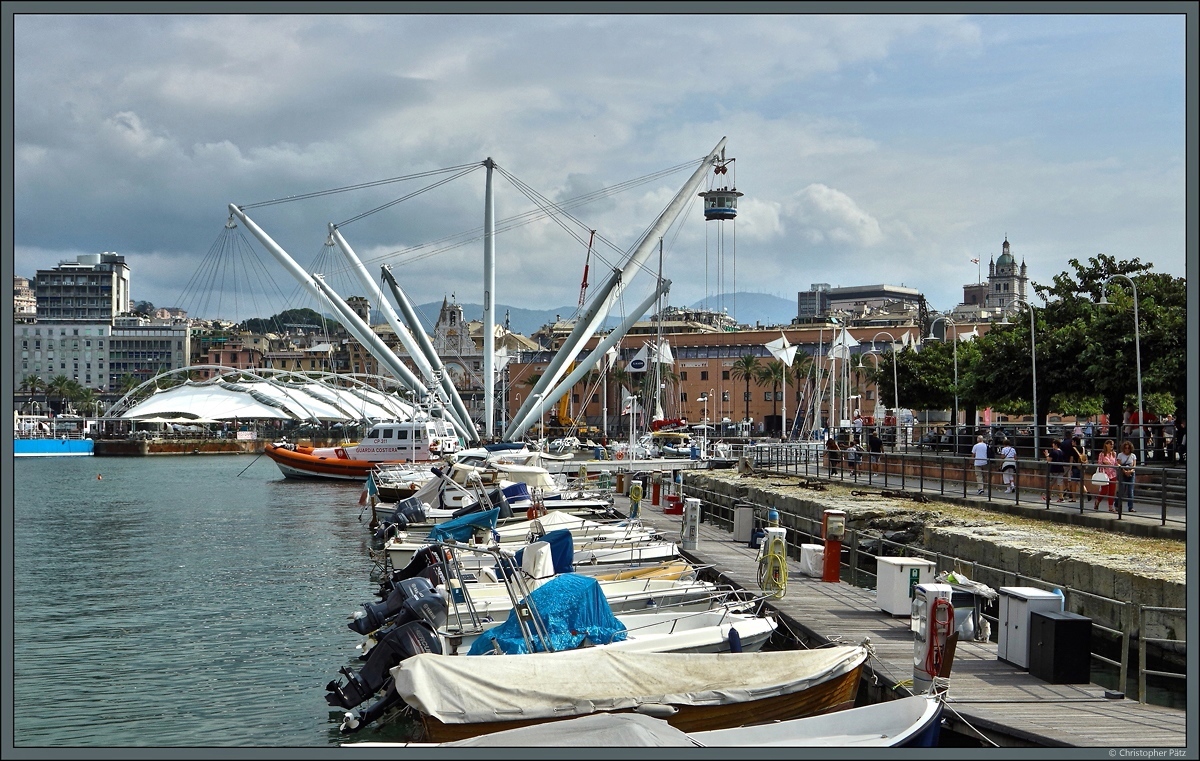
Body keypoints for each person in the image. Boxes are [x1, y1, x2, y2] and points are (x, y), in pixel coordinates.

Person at [1095, 439, 1119, 512]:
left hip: (1113, 473)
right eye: (1110, 444)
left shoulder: (1114, 453)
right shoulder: (1102, 454)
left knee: (1112, 491)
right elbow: (1099, 464)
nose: (1112, 446)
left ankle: (1110, 506)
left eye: (1112, 444)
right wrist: (1104, 463)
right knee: (1104, 490)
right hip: (1105, 474)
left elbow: (1115, 463)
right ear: (1106, 445)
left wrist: (1119, 466)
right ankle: (1098, 501)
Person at [1116, 440, 1137, 513]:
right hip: (1123, 472)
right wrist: (1124, 471)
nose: (1127, 449)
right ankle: (1117, 505)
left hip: (1131, 473)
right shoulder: (1120, 455)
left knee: (1130, 491)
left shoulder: (1133, 455)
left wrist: (1130, 471)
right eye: (1125, 448)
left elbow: (1134, 465)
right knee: (1121, 490)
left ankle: (1130, 507)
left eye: (1128, 448)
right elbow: (1118, 464)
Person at [1069, 436, 1091, 503]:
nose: (1072, 442)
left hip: (1075, 467)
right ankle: (1086, 492)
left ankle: (1074, 498)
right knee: (1080, 482)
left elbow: (1071, 459)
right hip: (1082, 467)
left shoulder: (1073, 449)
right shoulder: (1083, 448)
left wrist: (1070, 469)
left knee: (1074, 483)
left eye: (1072, 441)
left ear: (1075, 442)